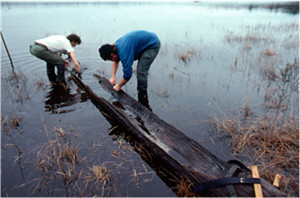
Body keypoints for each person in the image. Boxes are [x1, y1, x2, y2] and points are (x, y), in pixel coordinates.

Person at [99, 30, 160, 110]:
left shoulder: (124, 52)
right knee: (136, 65)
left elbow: (128, 74)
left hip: (152, 45)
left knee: (141, 72)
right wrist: (113, 76)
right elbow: (115, 60)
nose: (112, 61)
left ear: (112, 54)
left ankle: (142, 96)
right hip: (144, 43)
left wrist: (118, 86)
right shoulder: (115, 47)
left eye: (110, 59)